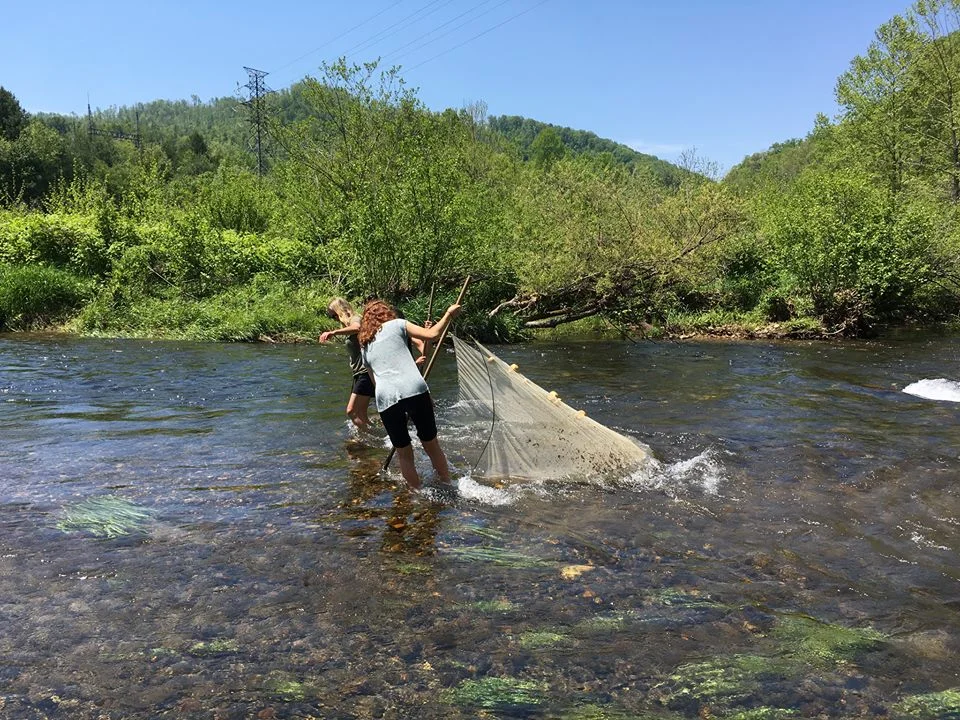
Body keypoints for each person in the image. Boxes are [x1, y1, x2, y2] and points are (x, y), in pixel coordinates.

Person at [358, 299, 461, 490]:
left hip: (386, 399)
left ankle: (417, 493)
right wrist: (448, 314)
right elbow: (433, 334)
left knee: (403, 453)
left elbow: (375, 381)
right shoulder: (398, 324)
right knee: (431, 444)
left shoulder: (364, 345)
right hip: (414, 389)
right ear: (386, 313)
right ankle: (447, 484)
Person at [319, 298, 374, 430]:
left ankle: (378, 438)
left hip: (365, 372)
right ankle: (374, 437)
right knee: (361, 414)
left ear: (340, 311)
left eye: (334, 316)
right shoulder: (347, 326)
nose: (335, 319)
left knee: (351, 411)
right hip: (359, 373)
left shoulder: (355, 318)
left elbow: (357, 327)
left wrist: (333, 332)